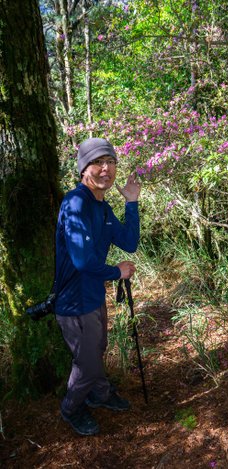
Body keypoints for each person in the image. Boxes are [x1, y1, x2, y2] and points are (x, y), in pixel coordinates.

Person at [55, 137, 141, 436]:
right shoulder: (76, 202)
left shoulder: (102, 208)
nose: (106, 169)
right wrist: (116, 272)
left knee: (97, 349)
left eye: (111, 162)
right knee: (88, 362)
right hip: (74, 302)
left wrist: (131, 202)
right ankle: (71, 407)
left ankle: (99, 394)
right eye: (98, 162)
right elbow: (81, 260)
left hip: (92, 296)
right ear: (83, 169)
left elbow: (129, 242)